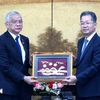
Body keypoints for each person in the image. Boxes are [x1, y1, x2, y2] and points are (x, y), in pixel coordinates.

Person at [0, 11, 38, 100]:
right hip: (8, 88)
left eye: (20, 21)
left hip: (24, 88)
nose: (18, 24)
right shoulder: (2, 40)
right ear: (7, 24)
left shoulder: (25, 39)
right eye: (14, 21)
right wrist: (24, 78)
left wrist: (32, 62)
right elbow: (5, 66)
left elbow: (22, 63)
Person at [63, 11, 100, 100]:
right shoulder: (81, 42)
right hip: (80, 90)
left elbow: (95, 66)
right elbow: (83, 62)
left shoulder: (98, 42)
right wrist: (74, 61)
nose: (84, 25)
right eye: (82, 23)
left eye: (88, 23)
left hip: (93, 91)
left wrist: (77, 78)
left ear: (95, 24)